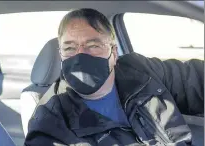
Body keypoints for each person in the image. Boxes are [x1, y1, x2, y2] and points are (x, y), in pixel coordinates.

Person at [24, 8, 204, 146]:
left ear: (114, 52)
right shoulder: (50, 122)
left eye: (93, 45)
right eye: (70, 48)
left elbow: (195, 79)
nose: (80, 57)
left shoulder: (142, 71)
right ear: (60, 54)